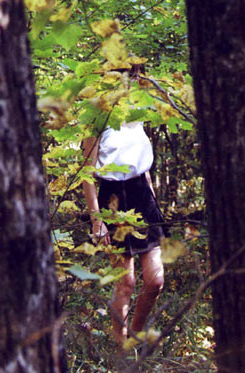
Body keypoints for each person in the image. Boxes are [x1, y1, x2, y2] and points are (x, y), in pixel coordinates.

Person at [82, 70, 165, 345]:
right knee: (125, 282)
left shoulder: (136, 114)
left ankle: (137, 336)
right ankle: (121, 351)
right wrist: (97, 220)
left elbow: (143, 165)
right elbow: (87, 173)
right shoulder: (97, 119)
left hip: (141, 193)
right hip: (112, 198)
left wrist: (152, 198)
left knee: (155, 280)